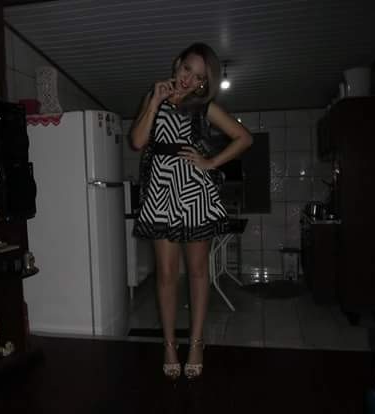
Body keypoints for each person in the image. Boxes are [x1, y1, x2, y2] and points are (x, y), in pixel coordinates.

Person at [131, 43, 253, 380]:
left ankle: (197, 342)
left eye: (199, 77)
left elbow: (244, 138)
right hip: (159, 194)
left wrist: (211, 162)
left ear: (203, 84)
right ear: (177, 63)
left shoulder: (204, 107)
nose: (189, 79)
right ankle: (170, 345)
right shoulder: (152, 97)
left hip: (194, 193)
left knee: (198, 272)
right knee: (166, 274)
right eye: (187, 69)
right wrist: (154, 101)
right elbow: (138, 141)